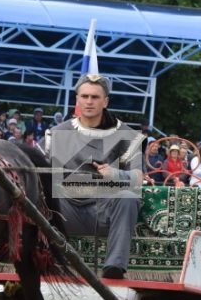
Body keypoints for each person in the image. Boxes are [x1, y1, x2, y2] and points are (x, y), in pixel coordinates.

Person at [45, 73, 144, 280]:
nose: (89, 102)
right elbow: (41, 174)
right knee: (38, 195)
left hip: (104, 210)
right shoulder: (56, 133)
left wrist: (114, 174)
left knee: (129, 197)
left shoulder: (127, 135)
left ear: (105, 101)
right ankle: (44, 260)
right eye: (85, 96)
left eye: (95, 97)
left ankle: (114, 267)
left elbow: (138, 178)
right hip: (64, 209)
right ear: (77, 99)